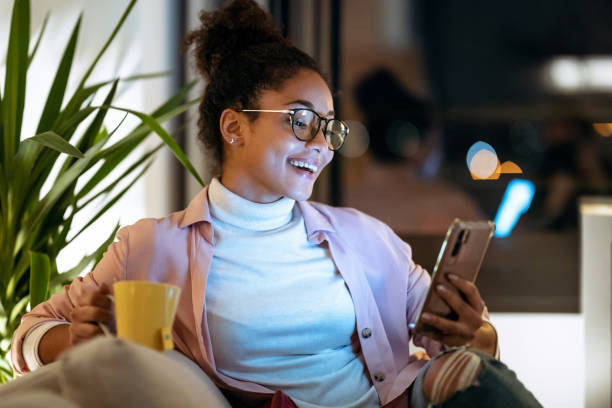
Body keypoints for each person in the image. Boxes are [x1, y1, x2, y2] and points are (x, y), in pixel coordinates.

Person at [8, 1, 541, 407]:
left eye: (328, 129)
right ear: (234, 126)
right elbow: (28, 336)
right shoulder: (151, 247)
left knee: (481, 378)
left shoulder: (364, 236)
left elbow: (448, 335)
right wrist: (73, 344)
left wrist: (479, 333)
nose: (319, 146)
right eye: (301, 120)